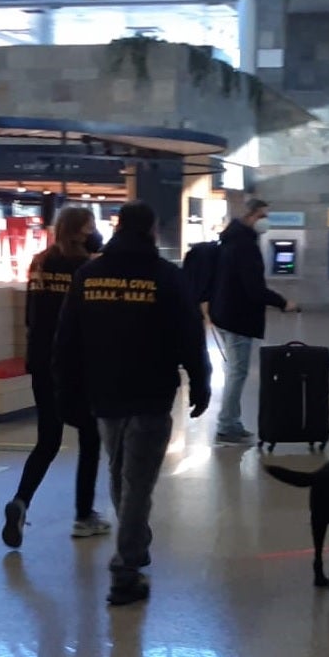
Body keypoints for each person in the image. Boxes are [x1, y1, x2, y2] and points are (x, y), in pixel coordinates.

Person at [53, 201, 212, 606]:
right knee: (137, 482)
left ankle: (134, 544)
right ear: (152, 231)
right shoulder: (166, 276)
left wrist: (66, 393)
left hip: (104, 392)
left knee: (120, 470)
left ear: (118, 227)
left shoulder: (89, 276)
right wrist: (200, 382)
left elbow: (66, 339)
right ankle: (126, 570)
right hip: (151, 393)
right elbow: (191, 335)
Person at [2, 206, 108, 549]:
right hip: (74, 364)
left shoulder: (39, 262)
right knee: (90, 437)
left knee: (48, 440)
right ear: (78, 231)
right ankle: (84, 516)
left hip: (40, 359)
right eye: (90, 227)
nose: (94, 232)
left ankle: (21, 500)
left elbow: (31, 315)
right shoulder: (86, 269)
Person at [208, 198, 297, 444]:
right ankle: (227, 426)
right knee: (237, 373)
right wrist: (283, 302)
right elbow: (254, 289)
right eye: (261, 216)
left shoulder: (230, 240)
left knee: (234, 371)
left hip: (224, 313)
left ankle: (231, 423)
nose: (264, 221)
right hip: (238, 317)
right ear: (249, 216)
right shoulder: (244, 245)